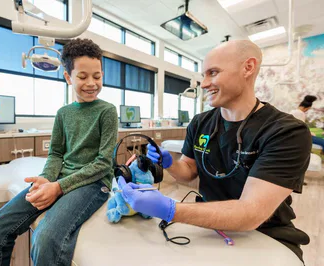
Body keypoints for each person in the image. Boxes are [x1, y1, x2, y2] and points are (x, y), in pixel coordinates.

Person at [118, 40, 311, 263]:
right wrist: (170, 163)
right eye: (204, 75)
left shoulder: (286, 132)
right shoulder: (201, 123)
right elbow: (189, 171)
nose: (204, 83)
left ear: (248, 68)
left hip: (266, 235)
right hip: (209, 227)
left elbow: (250, 212)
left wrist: (170, 209)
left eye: (213, 73)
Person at [0, 38, 118, 266]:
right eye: (82, 77)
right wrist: (47, 179)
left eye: (97, 76)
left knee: (45, 238)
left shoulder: (107, 112)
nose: (91, 83)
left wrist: (59, 188)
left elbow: (103, 164)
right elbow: (56, 155)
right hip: (58, 179)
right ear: (68, 77)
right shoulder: (63, 113)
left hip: (93, 183)